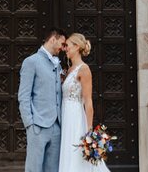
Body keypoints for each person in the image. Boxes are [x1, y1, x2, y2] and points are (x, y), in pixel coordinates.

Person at [58, 33, 110, 172]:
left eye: (67, 46)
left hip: (75, 117)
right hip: (65, 115)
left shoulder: (84, 69)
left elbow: (88, 101)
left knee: (76, 155)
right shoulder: (69, 70)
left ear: (76, 47)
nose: (65, 49)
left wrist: (89, 130)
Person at [18, 27, 67, 172]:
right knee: (34, 169)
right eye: (62, 44)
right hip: (37, 126)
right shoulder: (31, 62)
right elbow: (24, 95)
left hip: (57, 127)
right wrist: (30, 124)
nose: (63, 48)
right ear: (53, 39)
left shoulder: (58, 64)